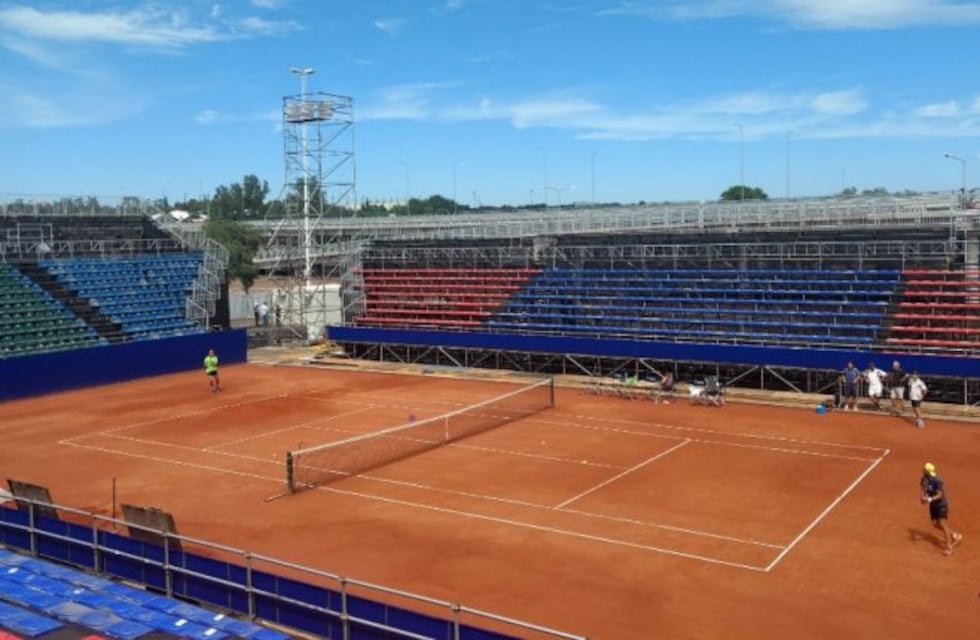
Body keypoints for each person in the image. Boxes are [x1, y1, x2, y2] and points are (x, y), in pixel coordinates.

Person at [920, 462, 963, 556]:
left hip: (941, 504)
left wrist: (929, 499)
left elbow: (940, 494)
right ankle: (955, 536)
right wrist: (923, 497)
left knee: (942, 524)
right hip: (933, 505)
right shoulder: (924, 479)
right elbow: (923, 489)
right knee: (935, 524)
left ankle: (949, 547)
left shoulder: (937, 480)